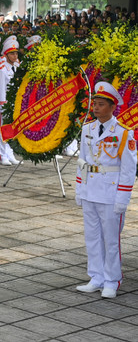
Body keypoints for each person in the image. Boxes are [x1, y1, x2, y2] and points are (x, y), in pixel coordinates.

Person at [75, 82, 136, 299]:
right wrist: (79, 189)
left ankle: (112, 280)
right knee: (92, 237)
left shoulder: (123, 133)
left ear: (112, 107)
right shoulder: (87, 129)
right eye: (95, 104)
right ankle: (96, 277)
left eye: (101, 104)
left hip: (110, 194)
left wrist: (123, 198)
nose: (96, 108)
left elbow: (128, 169)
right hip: (90, 190)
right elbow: (82, 161)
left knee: (111, 240)